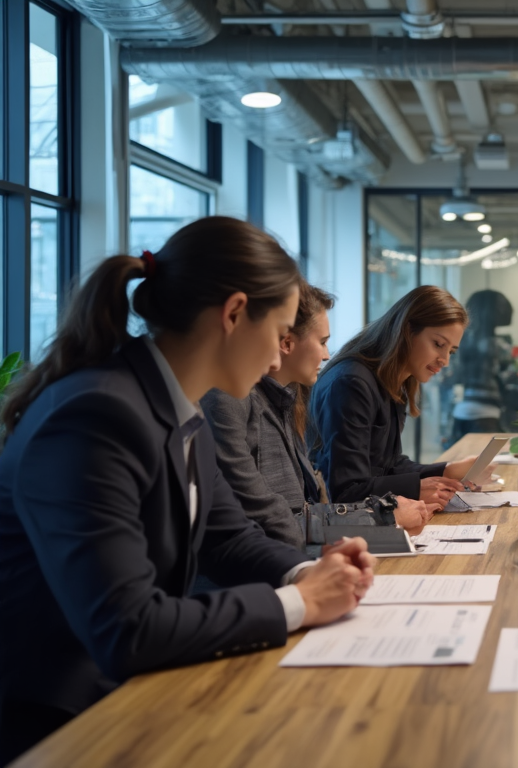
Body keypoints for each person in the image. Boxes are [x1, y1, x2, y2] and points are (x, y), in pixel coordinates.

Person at [0, 217, 375, 763]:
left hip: (132, 694)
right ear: (234, 314)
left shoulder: (179, 406)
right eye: (278, 332)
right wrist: (299, 602)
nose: (279, 357)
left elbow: (228, 539)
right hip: (62, 725)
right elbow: (127, 629)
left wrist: (304, 573)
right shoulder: (96, 415)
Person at [203, 282, 434, 549]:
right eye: (323, 342)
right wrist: (381, 517)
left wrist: (383, 513)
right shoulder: (231, 400)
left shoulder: (289, 399)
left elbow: (301, 515)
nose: (327, 355)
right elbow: (275, 525)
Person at [308, 285, 483, 509]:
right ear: (407, 330)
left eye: (450, 351)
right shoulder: (352, 383)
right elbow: (345, 491)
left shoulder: (392, 380)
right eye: (438, 344)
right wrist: (417, 489)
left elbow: (387, 465)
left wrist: (445, 471)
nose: (444, 360)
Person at [451, 290, 515, 440]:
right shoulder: (497, 346)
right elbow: (508, 377)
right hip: (487, 414)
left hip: (460, 412)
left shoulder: (462, 342)